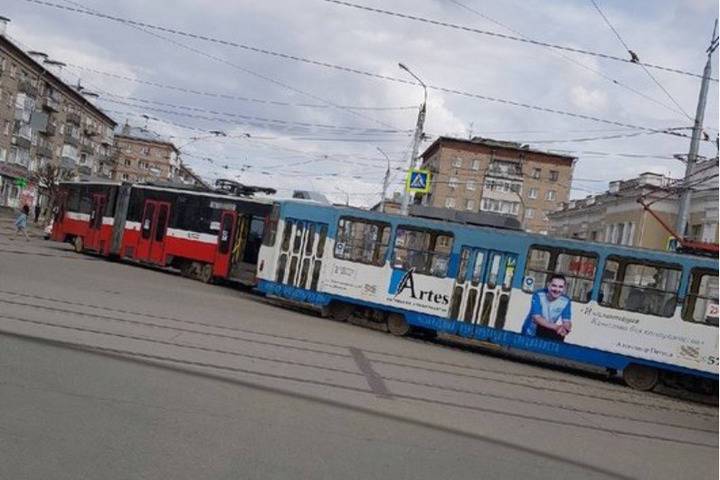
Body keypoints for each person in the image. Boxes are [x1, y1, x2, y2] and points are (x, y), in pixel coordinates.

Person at [521, 273, 572, 342]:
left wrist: (566, 328)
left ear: (564, 288)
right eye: (554, 286)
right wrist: (557, 327)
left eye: (560, 287)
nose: (557, 289)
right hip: (531, 330)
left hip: (548, 330)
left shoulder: (566, 301)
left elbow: (566, 320)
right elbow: (537, 318)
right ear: (548, 285)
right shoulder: (538, 295)